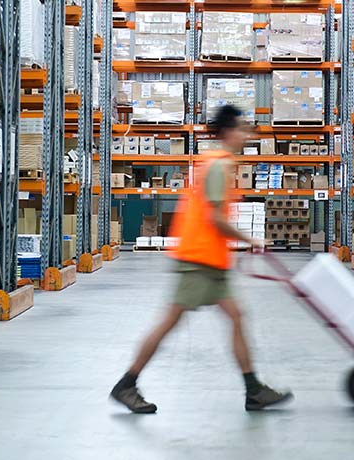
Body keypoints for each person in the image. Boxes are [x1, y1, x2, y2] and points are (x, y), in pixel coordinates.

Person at [110, 105, 293, 414]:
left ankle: (254, 390)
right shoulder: (219, 166)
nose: (246, 134)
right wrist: (252, 240)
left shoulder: (222, 164)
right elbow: (214, 219)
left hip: (211, 262)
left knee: (236, 316)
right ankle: (127, 383)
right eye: (241, 128)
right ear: (227, 133)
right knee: (169, 323)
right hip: (198, 261)